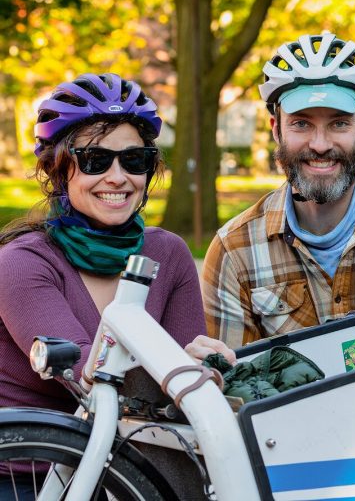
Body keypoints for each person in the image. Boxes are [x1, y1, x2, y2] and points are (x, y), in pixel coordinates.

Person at [195, 33, 355, 352]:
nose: (320, 145)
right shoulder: (234, 251)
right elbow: (235, 380)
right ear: (276, 129)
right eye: (301, 124)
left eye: (339, 124)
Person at [0, 73, 207, 418]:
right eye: (95, 159)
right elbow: (90, 376)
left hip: (134, 449)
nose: (118, 177)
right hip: (33, 450)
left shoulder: (168, 254)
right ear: (57, 169)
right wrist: (184, 367)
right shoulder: (21, 263)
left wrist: (209, 363)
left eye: (134, 159)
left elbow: (186, 392)